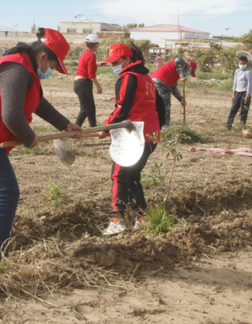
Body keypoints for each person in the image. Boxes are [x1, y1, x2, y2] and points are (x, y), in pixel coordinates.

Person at [0, 28, 82, 271]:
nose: (52, 71)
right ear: (44, 56)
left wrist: (64, 124)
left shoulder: (25, 68)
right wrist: (29, 138)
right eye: (54, 66)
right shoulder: (16, 70)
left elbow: (37, 102)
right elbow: (11, 115)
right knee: (6, 194)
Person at [99, 43, 165, 235]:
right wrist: (154, 129)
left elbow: (122, 108)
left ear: (128, 59)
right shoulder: (146, 78)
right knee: (132, 176)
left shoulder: (128, 76)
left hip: (134, 137)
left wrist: (106, 127)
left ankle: (116, 220)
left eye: (116, 62)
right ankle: (143, 218)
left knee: (119, 176)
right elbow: (160, 108)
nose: (114, 67)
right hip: (150, 135)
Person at [151, 57, 196, 127]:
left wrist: (180, 98)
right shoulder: (182, 62)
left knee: (157, 103)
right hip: (161, 81)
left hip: (155, 81)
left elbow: (173, 87)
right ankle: (164, 126)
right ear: (189, 66)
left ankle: (155, 124)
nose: (189, 73)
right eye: (190, 71)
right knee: (165, 104)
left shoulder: (175, 73)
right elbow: (178, 60)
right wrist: (182, 75)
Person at [73, 34, 103, 127]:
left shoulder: (85, 54)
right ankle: (75, 129)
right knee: (85, 109)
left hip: (80, 83)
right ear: (96, 44)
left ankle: (93, 128)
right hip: (84, 84)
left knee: (91, 108)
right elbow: (91, 74)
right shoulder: (91, 55)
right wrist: (98, 86)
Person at [227, 56, 252, 129]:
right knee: (233, 109)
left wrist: (248, 95)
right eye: (240, 63)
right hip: (237, 92)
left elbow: (250, 84)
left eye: (243, 63)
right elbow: (235, 82)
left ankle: (242, 126)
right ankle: (229, 125)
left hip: (245, 93)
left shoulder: (248, 72)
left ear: (247, 64)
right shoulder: (237, 71)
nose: (242, 65)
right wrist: (233, 93)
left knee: (243, 111)